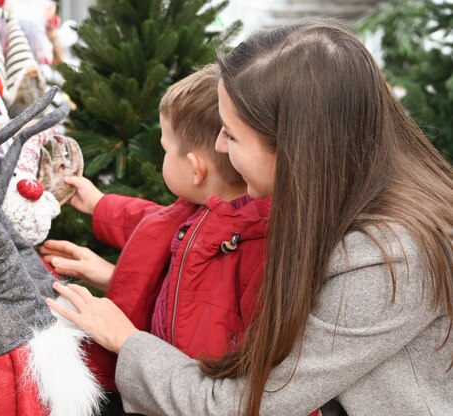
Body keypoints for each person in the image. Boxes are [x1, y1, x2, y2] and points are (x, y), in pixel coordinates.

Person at [46, 18, 453, 416]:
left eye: (232, 134)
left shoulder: (385, 258)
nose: (219, 147)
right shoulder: (338, 197)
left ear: (296, 149)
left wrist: (126, 340)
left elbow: (241, 404)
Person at [40, 64, 272, 411]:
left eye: (164, 148)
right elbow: (151, 221)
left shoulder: (257, 244)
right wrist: (100, 206)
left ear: (195, 169)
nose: (162, 154)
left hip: (184, 397)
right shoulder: (199, 208)